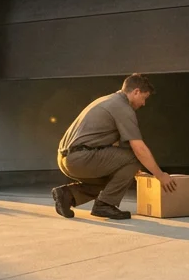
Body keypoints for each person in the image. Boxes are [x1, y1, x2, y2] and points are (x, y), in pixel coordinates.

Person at [53, 73, 177, 220]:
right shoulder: (123, 108)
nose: (144, 103)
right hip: (81, 157)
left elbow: (113, 146)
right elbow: (139, 149)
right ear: (136, 91)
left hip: (66, 158)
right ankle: (105, 204)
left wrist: (132, 171)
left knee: (113, 180)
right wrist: (161, 176)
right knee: (135, 157)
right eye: (144, 98)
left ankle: (67, 195)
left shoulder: (107, 100)